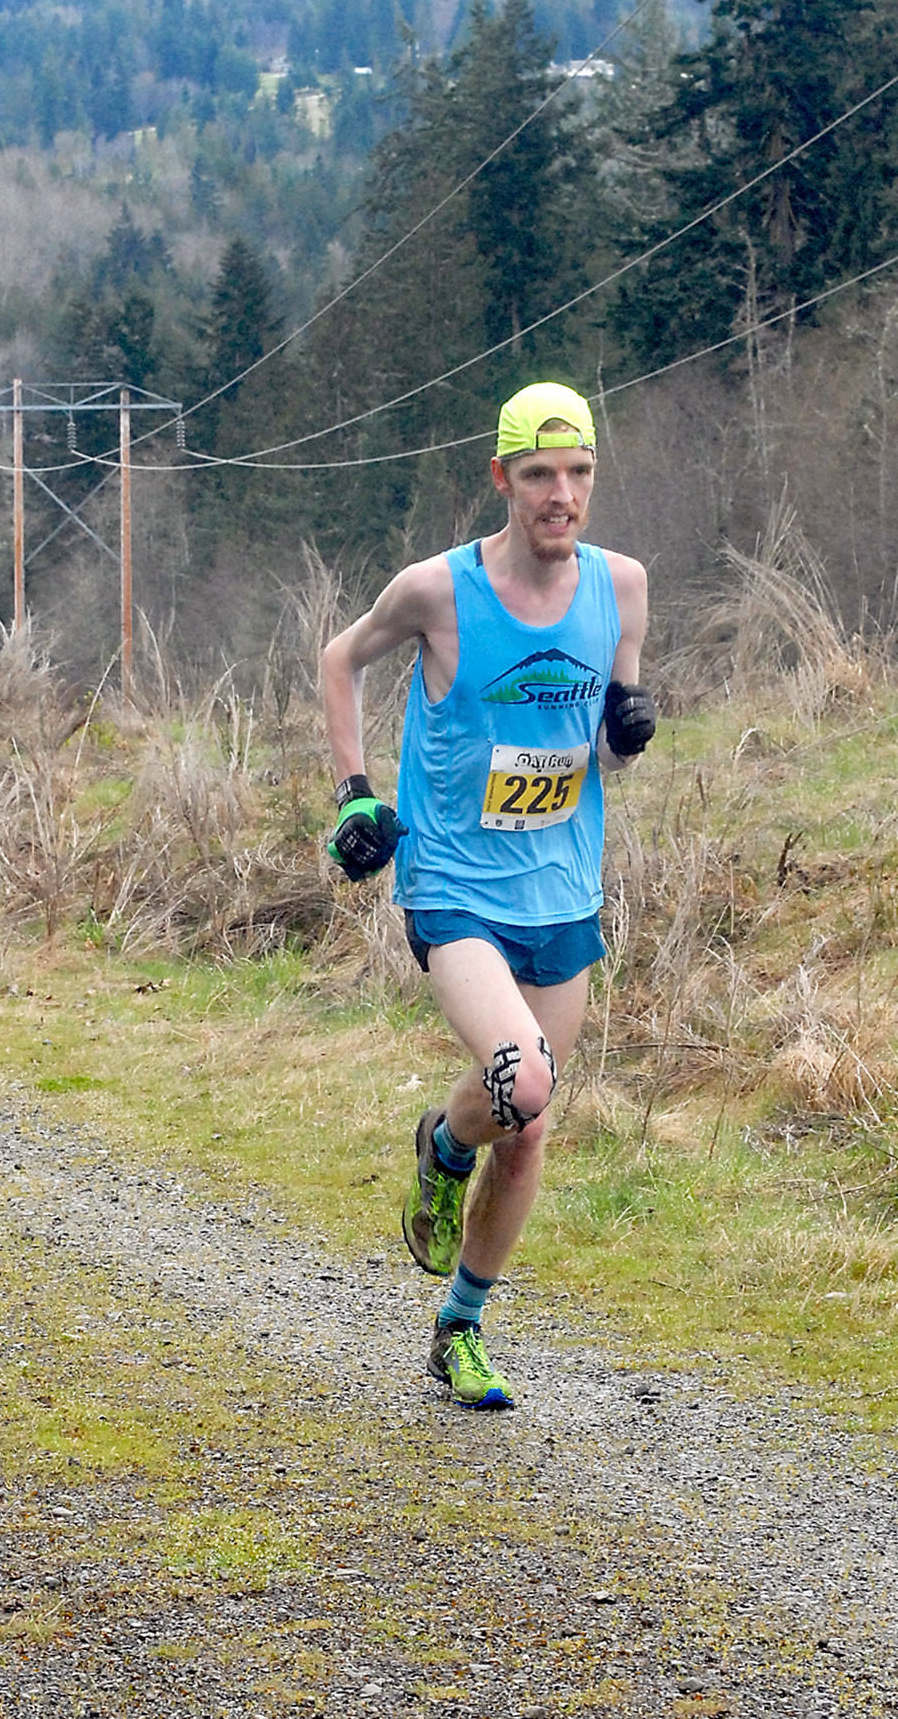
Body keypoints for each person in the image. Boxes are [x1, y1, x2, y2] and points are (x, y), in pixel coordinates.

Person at [321, 381, 654, 1410]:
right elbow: (341, 659)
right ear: (501, 477)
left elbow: (607, 740)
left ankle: (457, 1326)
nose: (562, 495)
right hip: (454, 882)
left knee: (528, 1132)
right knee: (525, 1078)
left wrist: (624, 734)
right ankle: (441, 1142)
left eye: (579, 474)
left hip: (561, 886)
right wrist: (352, 798)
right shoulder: (436, 591)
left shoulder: (623, 587)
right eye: (541, 474)